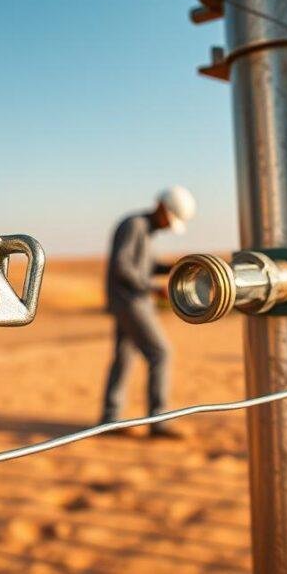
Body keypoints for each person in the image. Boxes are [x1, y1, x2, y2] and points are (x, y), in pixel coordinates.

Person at [100, 186, 196, 438]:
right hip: (131, 302)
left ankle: (109, 419)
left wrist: (174, 266)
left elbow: (147, 265)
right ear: (162, 208)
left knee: (124, 358)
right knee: (161, 353)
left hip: (131, 301)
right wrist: (152, 288)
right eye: (170, 219)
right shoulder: (135, 226)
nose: (168, 225)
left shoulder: (146, 230)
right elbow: (122, 267)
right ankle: (159, 421)